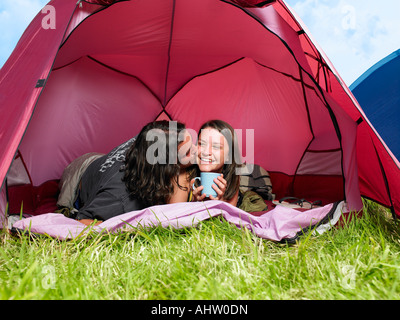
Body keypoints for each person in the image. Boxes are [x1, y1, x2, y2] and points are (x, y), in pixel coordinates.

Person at [74, 120, 197, 226]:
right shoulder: (120, 199)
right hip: (79, 171)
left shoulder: (154, 138)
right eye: (187, 151)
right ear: (166, 167)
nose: (197, 150)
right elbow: (82, 220)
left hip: (102, 159)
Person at [191, 120, 242, 206]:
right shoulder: (186, 178)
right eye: (201, 144)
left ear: (229, 156)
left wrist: (221, 202)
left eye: (216, 146)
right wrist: (194, 203)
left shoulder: (232, 180)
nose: (206, 152)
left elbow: (227, 217)